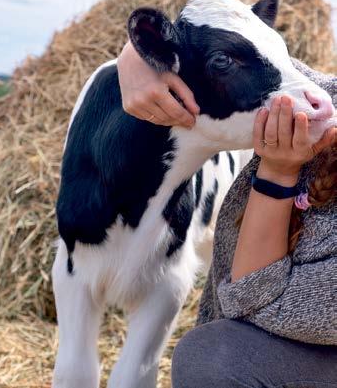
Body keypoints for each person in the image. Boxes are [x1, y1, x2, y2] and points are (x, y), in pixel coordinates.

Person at [118, 41, 337, 387]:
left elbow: (252, 299)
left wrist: (278, 171)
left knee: (214, 359)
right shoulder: (326, 99)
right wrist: (139, 56)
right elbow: (230, 52)